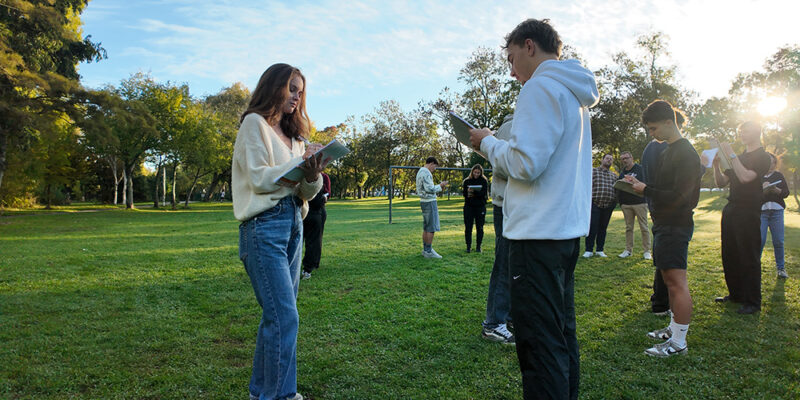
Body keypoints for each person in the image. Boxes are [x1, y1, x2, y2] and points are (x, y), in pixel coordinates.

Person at [470, 18, 599, 400]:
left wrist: (487, 142)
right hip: (564, 234)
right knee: (561, 334)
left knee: (539, 345)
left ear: (529, 46)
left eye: (512, 59)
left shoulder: (539, 87)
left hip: (536, 237)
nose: (512, 72)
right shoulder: (574, 94)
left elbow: (525, 164)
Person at [232, 63, 328, 400]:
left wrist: (313, 172)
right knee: (284, 316)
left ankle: (262, 392)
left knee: (276, 316)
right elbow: (259, 178)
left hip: (293, 224)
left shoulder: (296, 137)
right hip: (263, 226)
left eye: (300, 91)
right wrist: (298, 165)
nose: (296, 96)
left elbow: (306, 193)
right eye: (291, 88)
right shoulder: (254, 124)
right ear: (273, 87)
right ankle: (281, 395)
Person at [626, 99, 701, 358]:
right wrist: (639, 185)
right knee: (669, 281)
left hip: (676, 225)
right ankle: (672, 329)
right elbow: (663, 187)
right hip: (663, 224)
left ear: (670, 122)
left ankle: (679, 343)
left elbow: (683, 197)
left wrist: (646, 189)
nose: (652, 134)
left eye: (654, 128)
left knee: (677, 283)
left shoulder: (686, 152)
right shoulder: (668, 150)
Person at [711, 121, 771, 314]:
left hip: (748, 210)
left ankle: (753, 302)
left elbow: (745, 177)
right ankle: (736, 295)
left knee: (748, 255)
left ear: (757, 132)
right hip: (732, 208)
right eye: (740, 131)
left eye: (746, 131)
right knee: (730, 254)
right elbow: (721, 182)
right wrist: (716, 166)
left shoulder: (763, 157)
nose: (742, 134)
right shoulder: (740, 156)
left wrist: (731, 154)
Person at [482, 114, 515, 345]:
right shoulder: (511, 125)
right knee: (504, 264)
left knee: (515, 265)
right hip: (507, 205)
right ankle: (494, 323)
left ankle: (508, 316)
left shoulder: (524, 120)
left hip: (516, 205)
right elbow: (506, 166)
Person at [760, 152, 790, 279]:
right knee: (760, 240)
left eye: (773, 163)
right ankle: (755, 267)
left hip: (777, 212)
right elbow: (753, 195)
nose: (770, 165)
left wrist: (776, 190)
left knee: (778, 241)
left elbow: (786, 193)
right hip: (762, 212)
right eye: (768, 162)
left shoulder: (779, 175)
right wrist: (762, 189)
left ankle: (781, 269)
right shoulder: (758, 176)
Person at [617, 151, 651, 259]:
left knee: (644, 227)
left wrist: (634, 181)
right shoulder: (622, 172)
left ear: (631, 158)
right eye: (622, 159)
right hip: (626, 204)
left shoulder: (640, 169)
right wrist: (621, 203)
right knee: (629, 228)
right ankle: (628, 250)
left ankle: (647, 251)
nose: (624, 160)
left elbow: (646, 185)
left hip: (640, 202)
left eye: (626, 158)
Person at [583, 154, 616, 258]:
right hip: (595, 203)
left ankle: (599, 250)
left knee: (603, 228)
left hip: (608, 205)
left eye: (611, 159)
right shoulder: (593, 171)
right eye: (607, 158)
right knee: (592, 227)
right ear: (602, 160)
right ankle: (588, 250)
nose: (609, 160)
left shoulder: (614, 175)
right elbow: (586, 185)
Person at [416, 157, 448, 259]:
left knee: (426, 227)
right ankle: (429, 251)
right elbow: (429, 188)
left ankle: (426, 249)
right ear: (431, 163)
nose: (435, 169)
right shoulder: (426, 172)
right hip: (429, 202)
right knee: (431, 228)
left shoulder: (420, 171)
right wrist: (440, 186)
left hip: (423, 201)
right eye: (435, 166)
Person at [301, 172, 331, 279]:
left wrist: (324, 197)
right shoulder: (322, 176)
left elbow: (327, 193)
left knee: (313, 241)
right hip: (310, 211)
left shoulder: (323, 176)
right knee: (313, 241)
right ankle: (308, 268)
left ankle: (309, 266)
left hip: (314, 210)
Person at [462, 164, 489, 253]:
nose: (476, 174)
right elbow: (464, 194)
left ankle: (478, 247)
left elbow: (483, 194)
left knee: (480, 227)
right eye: (475, 172)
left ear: (481, 173)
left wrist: (474, 192)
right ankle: (468, 247)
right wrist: (469, 192)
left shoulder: (483, 181)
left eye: (478, 173)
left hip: (480, 207)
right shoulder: (467, 181)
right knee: (468, 227)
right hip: (469, 207)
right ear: (472, 172)